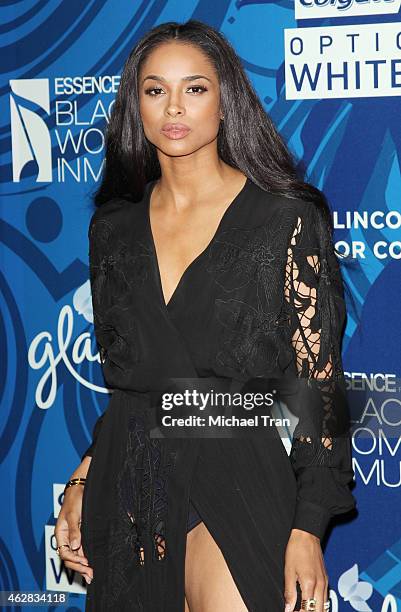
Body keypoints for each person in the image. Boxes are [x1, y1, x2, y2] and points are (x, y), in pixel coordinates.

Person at [54, 19, 356, 612]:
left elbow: (316, 389)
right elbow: (130, 386)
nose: (174, 106)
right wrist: (84, 476)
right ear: (134, 105)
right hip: (133, 481)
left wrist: (308, 526)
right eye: (154, 89)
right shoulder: (111, 230)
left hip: (239, 473)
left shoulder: (283, 221)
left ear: (226, 100)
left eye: (194, 88)